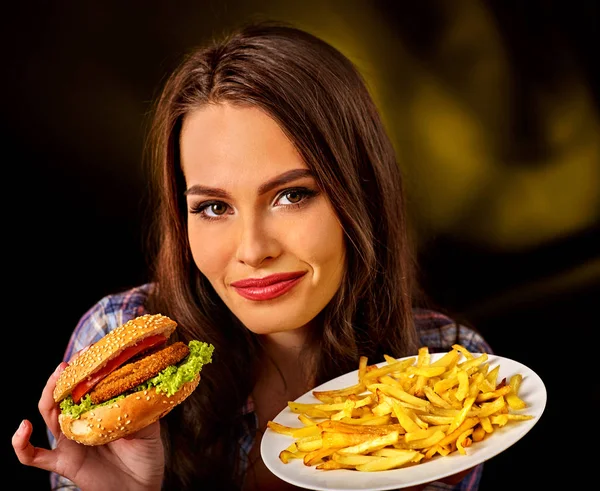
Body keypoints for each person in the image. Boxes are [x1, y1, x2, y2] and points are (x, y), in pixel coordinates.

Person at [12, 20, 492, 491]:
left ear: (360, 193)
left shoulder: (452, 373)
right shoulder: (114, 339)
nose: (253, 250)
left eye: (292, 196)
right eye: (214, 207)